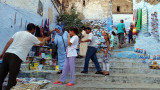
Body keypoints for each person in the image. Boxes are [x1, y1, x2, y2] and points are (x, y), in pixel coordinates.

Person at [0, 23, 49, 90]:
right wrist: (45, 39)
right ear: (33, 29)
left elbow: (9, 42)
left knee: (1, 75)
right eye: (34, 30)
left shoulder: (18, 33)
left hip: (7, 54)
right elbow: (41, 44)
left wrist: (2, 53)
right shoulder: (31, 36)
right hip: (16, 57)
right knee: (12, 79)